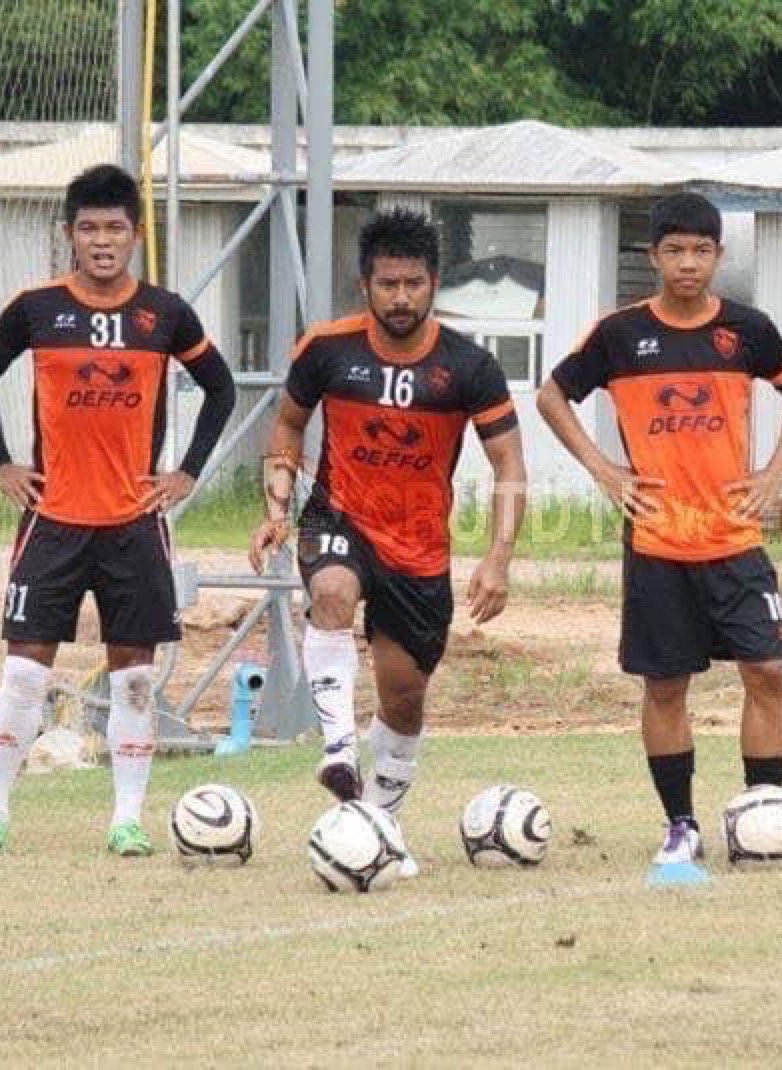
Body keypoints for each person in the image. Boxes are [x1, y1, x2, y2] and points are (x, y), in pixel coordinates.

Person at [0, 164, 236, 858]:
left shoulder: (165, 315)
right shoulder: (36, 308)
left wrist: (187, 473)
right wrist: (1, 462)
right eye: (89, 229)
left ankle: (127, 821)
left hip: (134, 524)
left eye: (115, 228)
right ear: (69, 235)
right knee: (25, 673)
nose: (102, 241)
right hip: (52, 521)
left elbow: (221, 388)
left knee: (134, 680)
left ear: (135, 235)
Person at [536, 192, 782, 867]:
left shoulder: (746, 330)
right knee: (665, 687)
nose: (688, 263)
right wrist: (605, 469)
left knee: (767, 671)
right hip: (658, 543)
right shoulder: (619, 334)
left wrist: (776, 470)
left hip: (735, 539)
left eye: (701, 251)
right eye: (675, 251)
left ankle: (764, 816)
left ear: (718, 256)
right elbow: (551, 395)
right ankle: (680, 826)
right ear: (654, 256)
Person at [249, 209, 526, 876]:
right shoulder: (326, 349)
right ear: (364, 285)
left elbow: (509, 465)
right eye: (387, 284)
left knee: (403, 698)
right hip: (339, 517)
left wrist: (498, 557)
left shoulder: (469, 365)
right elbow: (287, 427)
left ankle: (375, 824)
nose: (401, 297)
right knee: (332, 592)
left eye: (413, 284)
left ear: (435, 283)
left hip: (419, 548)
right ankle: (338, 751)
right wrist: (278, 508)